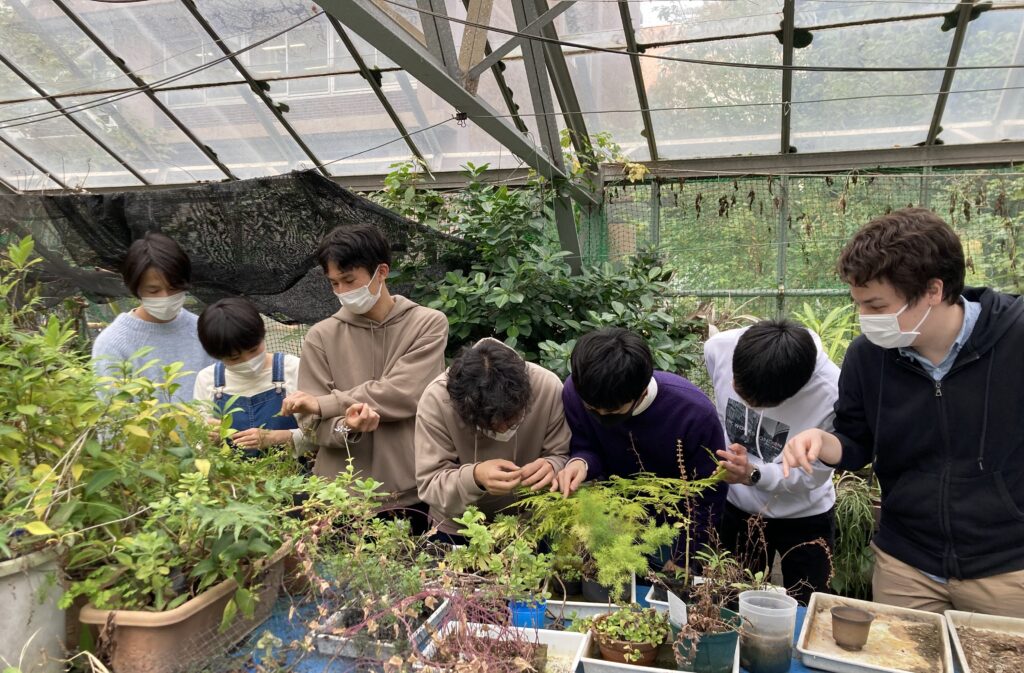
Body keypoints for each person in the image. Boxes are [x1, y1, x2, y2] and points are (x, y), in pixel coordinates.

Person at [782, 208, 1024, 617]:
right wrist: (822, 441)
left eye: (877, 306)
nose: (865, 319)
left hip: (1007, 568)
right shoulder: (867, 357)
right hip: (906, 564)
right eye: (859, 305)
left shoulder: (1015, 340)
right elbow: (856, 443)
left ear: (933, 290)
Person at [280, 224, 448, 528]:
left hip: (412, 489)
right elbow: (310, 422)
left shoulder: (427, 324)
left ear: (381, 272)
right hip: (339, 494)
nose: (342, 292)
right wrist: (346, 426)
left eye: (349, 280)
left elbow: (404, 393)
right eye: (334, 283)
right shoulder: (321, 336)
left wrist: (326, 404)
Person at [553, 327, 728, 560]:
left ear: (643, 392)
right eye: (592, 409)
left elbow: (709, 494)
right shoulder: (577, 391)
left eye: (613, 412)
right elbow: (586, 445)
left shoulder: (694, 414)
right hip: (611, 520)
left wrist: (684, 556)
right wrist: (581, 462)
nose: (601, 416)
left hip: (672, 531)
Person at [705, 319, 840, 604]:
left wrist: (754, 474)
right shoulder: (720, 348)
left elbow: (814, 474)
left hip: (805, 516)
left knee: (807, 603)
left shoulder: (831, 393)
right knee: (730, 601)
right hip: (737, 509)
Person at [415, 338, 570, 535]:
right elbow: (430, 484)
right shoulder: (437, 400)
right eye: (491, 424)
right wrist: (475, 477)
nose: (503, 429)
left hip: (531, 524)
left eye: (510, 418)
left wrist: (553, 465)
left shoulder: (546, 387)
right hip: (458, 528)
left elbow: (566, 455)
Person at [192, 297, 378, 461]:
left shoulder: (292, 368)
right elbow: (199, 446)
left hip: (296, 479)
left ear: (262, 334)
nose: (248, 361)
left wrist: (275, 438)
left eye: (254, 350)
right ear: (216, 355)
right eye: (234, 358)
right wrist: (209, 438)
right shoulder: (208, 380)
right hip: (234, 482)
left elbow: (325, 434)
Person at [92, 232, 213, 402]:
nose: (165, 297)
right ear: (136, 288)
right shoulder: (113, 343)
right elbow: (113, 410)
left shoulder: (204, 330)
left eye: (174, 288)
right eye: (154, 291)